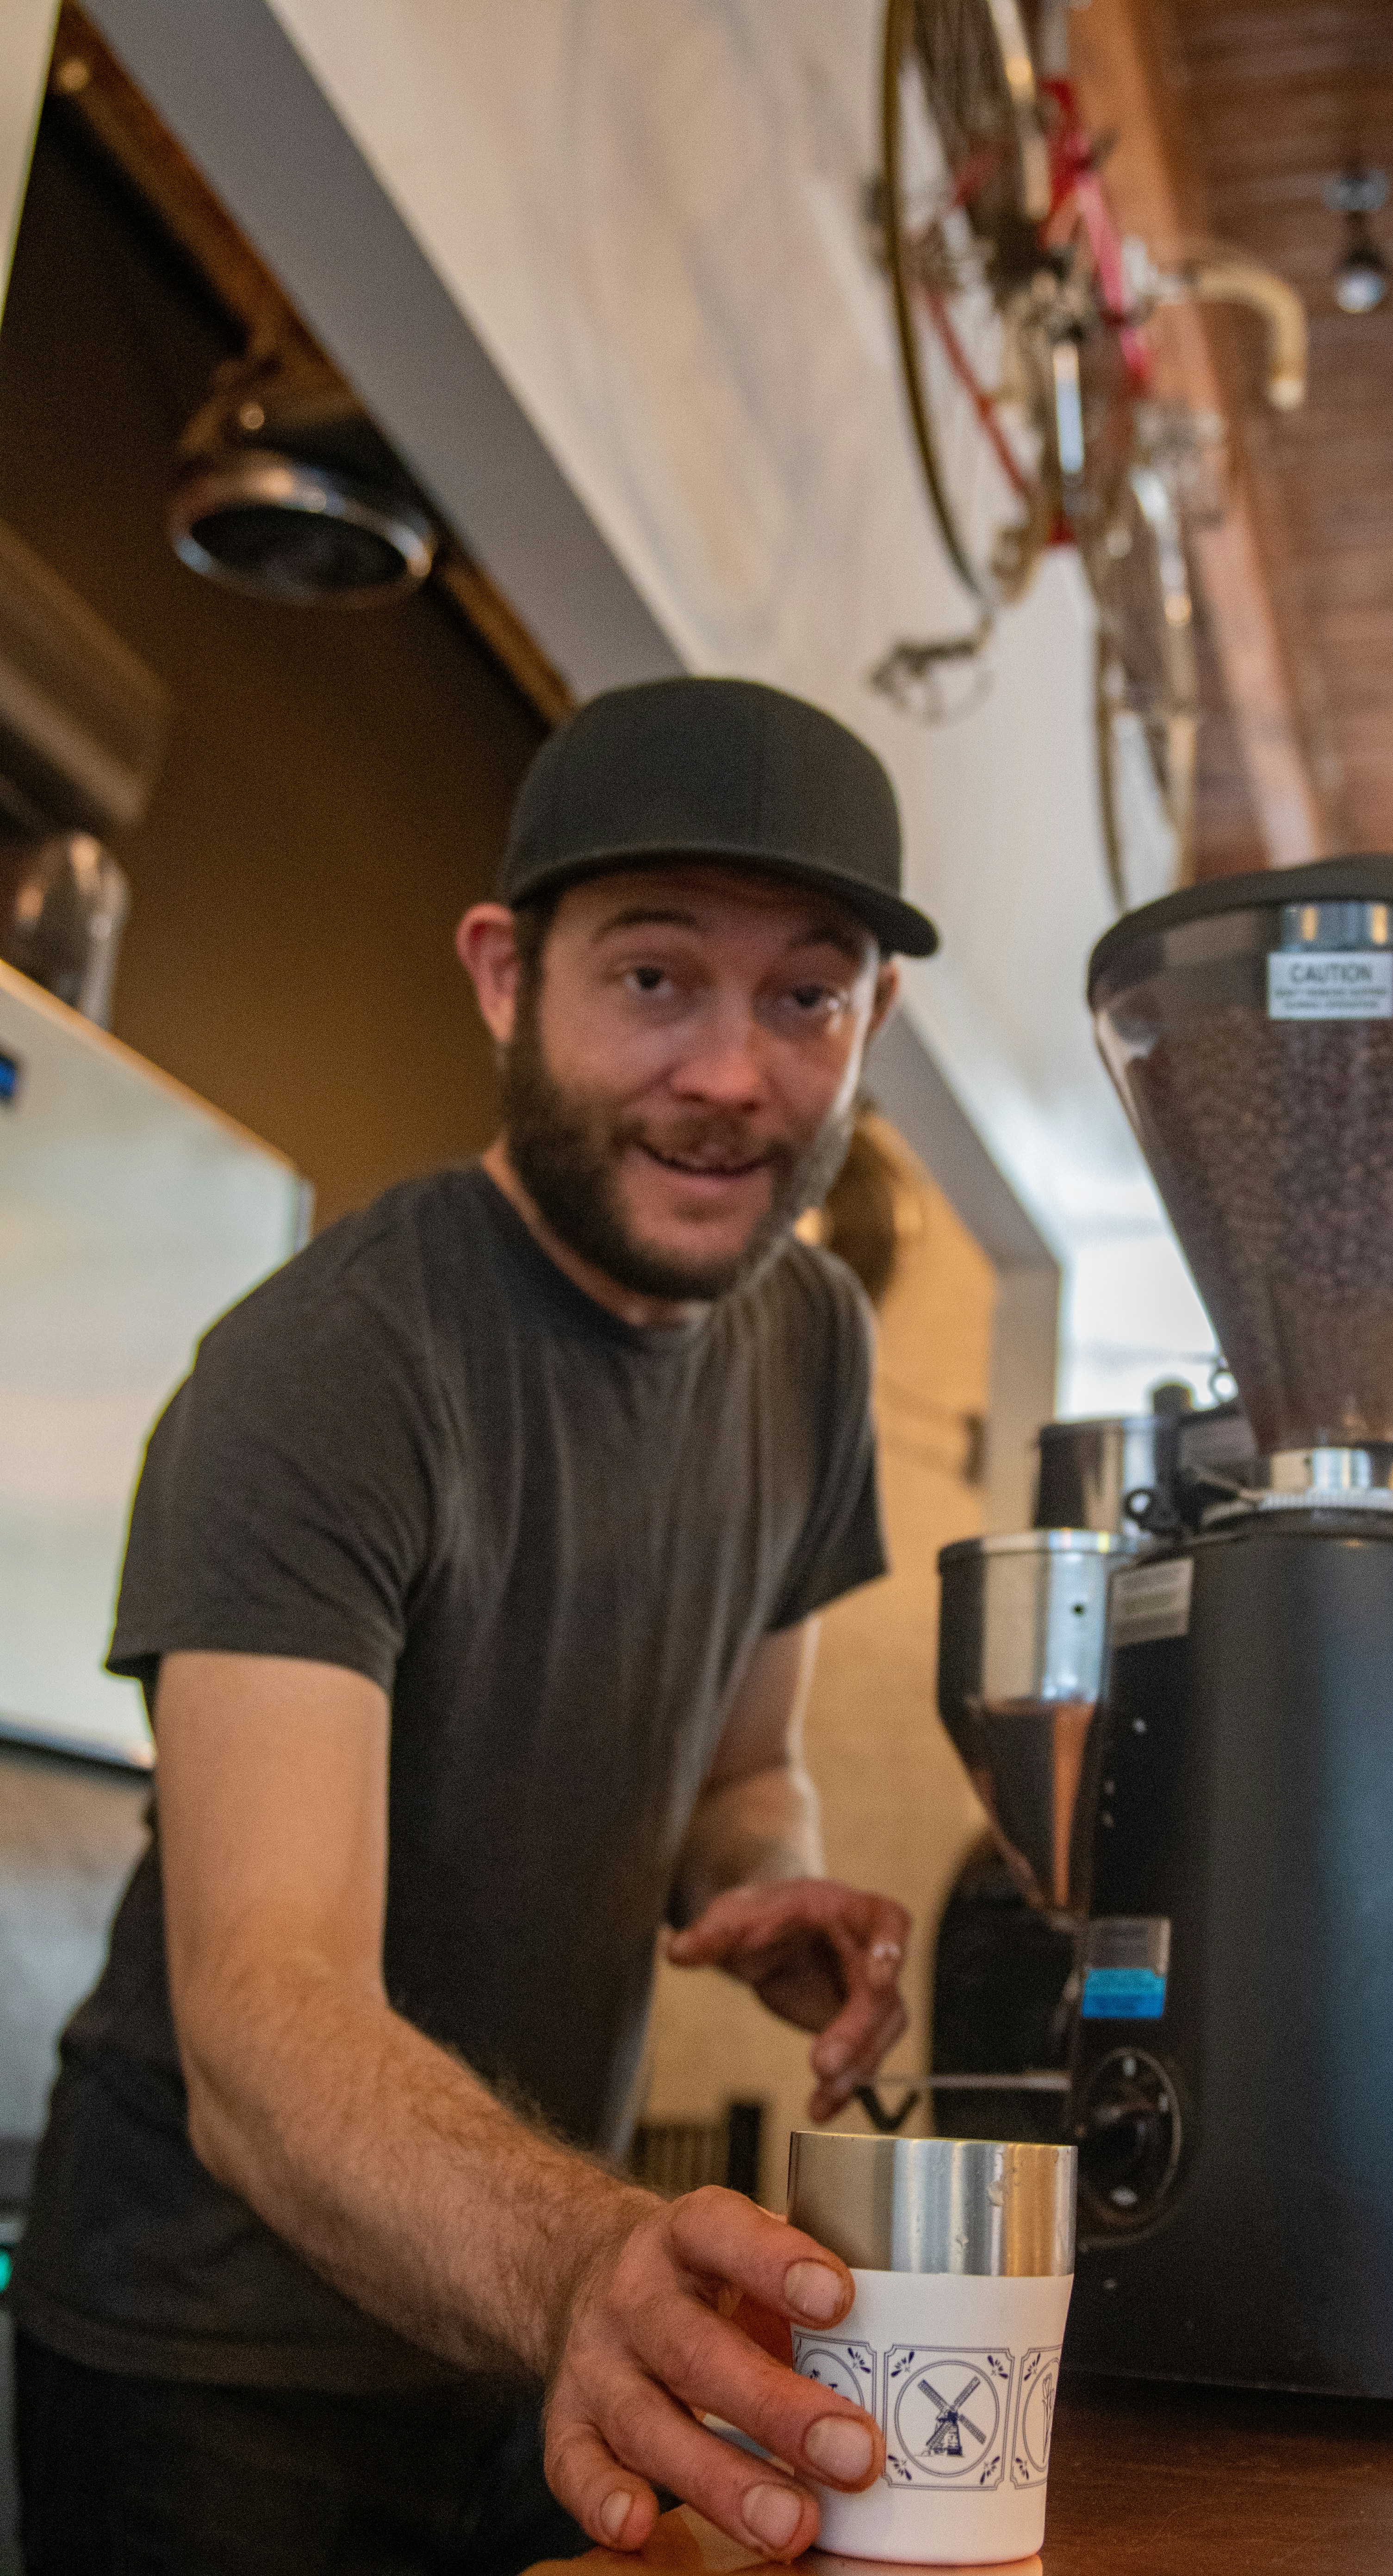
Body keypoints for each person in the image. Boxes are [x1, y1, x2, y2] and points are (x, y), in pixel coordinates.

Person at [11, 676, 942, 2576]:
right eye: (656, 979)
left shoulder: (810, 1347)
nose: (733, 1077)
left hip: (524, 2355)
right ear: (506, 973)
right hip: (220, 2365)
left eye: (805, 997)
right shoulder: (330, 1367)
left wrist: (770, 1881)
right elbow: (264, 2013)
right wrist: (595, 2258)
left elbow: (744, 1764)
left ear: (875, 1024)